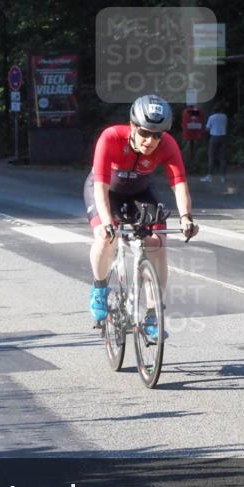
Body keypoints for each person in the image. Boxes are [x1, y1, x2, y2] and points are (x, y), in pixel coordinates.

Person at [84, 95, 199, 340]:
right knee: (105, 238)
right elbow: (100, 187)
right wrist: (107, 222)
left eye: (157, 135)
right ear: (133, 126)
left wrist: (186, 217)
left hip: (140, 192)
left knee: (158, 245)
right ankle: (99, 289)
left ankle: (153, 314)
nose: (150, 141)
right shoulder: (111, 137)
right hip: (106, 191)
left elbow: (179, 184)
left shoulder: (168, 145)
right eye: (145, 133)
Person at [200, 107, 228, 183]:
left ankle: (209, 176)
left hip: (214, 137)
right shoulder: (224, 116)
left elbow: (207, 128)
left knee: (211, 157)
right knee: (223, 158)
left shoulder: (211, 117)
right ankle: (223, 177)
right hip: (223, 137)